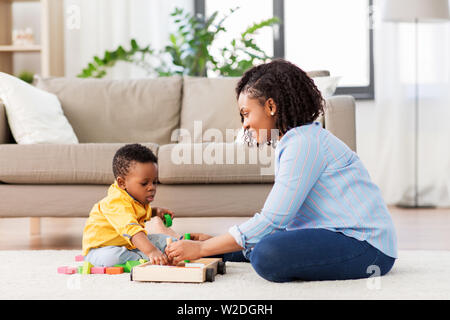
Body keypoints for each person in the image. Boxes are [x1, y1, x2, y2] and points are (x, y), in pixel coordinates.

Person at [166, 59, 398, 282]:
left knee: (267, 255)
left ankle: (232, 250)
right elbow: (287, 225)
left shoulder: (303, 144)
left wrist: (205, 247)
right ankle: (231, 249)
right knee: (267, 248)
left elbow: (273, 220)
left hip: (367, 247)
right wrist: (219, 243)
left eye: (246, 113)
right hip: (342, 237)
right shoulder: (296, 140)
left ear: (270, 106)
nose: (244, 124)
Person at [82, 143, 180, 267]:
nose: (152, 188)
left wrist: (155, 212)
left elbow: (138, 213)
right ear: (122, 183)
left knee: (161, 239)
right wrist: (152, 251)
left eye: (154, 182)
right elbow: (132, 231)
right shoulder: (115, 203)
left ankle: (181, 246)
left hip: (128, 244)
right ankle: (147, 257)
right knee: (112, 258)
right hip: (101, 249)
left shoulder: (136, 197)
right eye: (144, 183)